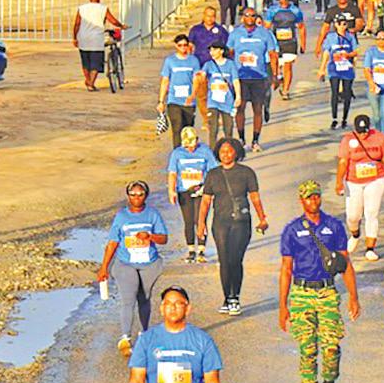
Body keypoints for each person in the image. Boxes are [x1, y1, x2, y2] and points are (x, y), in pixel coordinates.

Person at [278, 179, 362, 383]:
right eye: (308, 197)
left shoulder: (333, 226)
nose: (313, 200)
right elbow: (286, 269)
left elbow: (345, 263)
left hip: (327, 293)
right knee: (307, 349)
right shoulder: (292, 230)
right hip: (301, 293)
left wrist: (354, 297)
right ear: (301, 200)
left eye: (316, 196)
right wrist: (283, 306)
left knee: (331, 347)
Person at [196, 139, 269, 315]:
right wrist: (201, 223)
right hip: (220, 223)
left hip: (241, 222)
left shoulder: (246, 173)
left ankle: (235, 296)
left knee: (235, 260)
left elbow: (255, 197)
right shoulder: (212, 174)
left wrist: (262, 218)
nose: (226, 154)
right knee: (224, 260)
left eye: (229, 151)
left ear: (236, 152)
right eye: (222, 151)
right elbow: (206, 201)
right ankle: (227, 298)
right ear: (217, 153)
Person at [97, 181, 169, 357]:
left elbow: (164, 238)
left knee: (144, 298)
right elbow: (113, 242)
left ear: (146, 195)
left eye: (140, 194)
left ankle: (144, 333)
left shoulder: (152, 214)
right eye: (133, 194)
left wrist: (150, 236)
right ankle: (125, 338)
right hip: (125, 264)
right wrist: (104, 267)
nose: (137, 198)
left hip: (149, 264)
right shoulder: (121, 216)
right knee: (128, 299)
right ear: (128, 196)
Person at [336, 113, 384, 262]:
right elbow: (343, 162)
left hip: (376, 179)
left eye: (365, 131)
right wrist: (339, 181)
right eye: (360, 132)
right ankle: (355, 235)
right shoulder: (347, 140)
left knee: (372, 213)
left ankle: (370, 248)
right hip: (353, 181)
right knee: (353, 216)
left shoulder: (379, 138)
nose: (363, 135)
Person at [228, 8, 279, 151]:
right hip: (241, 77)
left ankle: (255, 140)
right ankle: (241, 139)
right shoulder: (235, 33)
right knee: (240, 108)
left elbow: (273, 54)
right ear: (242, 17)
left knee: (258, 109)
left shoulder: (264, 33)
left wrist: (275, 75)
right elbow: (229, 53)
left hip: (259, 76)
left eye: (252, 16)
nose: (250, 18)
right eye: (247, 15)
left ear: (256, 17)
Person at [167, 127, 218, 264]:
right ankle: (191, 250)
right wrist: (171, 191)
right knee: (188, 221)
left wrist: (211, 189)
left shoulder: (205, 151)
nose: (190, 149)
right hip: (184, 191)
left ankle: (201, 250)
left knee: (199, 220)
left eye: (192, 145)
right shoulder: (177, 153)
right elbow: (173, 173)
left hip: (202, 190)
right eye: (187, 146)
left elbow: (213, 171)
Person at [72, 0, 125, 91]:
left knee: (86, 62)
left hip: (83, 38)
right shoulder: (103, 8)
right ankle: (91, 83)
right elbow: (112, 20)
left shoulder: (82, 8)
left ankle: (88, 81)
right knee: (96, 63)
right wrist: (121, 26)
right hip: (96, 39)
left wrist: (75, 37)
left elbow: (77, 24)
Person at [158, 34, 203, 148]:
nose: (183, 48)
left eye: (185, 45)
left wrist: (193, 95)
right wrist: (161, 101)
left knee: (187, 129)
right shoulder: (170, 61)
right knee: (177, 127)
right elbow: (165, 80)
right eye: (180, 45)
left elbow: (196, 79)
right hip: (174, 100)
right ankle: (177, 151)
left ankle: (188, 150)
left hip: (188, 102)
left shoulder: (194, 61)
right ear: (176, 46)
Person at [319, 14, 359, 130]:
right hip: (334, 69)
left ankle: (344, 118)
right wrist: (322, 69)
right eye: (339, 24)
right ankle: (334, 118)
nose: (342, 26)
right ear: (336, 25)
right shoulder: (330, 37)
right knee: (335, 92)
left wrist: (348, 55)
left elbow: (356, 51)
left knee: (347, 94)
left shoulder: (350, 37)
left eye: (344, 24)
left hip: (347, 69)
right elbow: (326, 53)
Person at [265, 0, 306, 99]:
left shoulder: (295, 11)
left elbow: (301, 27)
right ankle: (279, 78)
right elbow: (266, 27)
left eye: (285, 1)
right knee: (276, 67)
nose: (283, 3)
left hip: (290, 43)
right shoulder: (272, 10)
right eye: (281, 1)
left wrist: (303, 44)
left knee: (288, 66)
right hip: (276, 43)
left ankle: (285, 91)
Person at [202, 41, 241, 150]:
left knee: (228, 129)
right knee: (213, 128)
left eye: (214, 50)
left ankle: (228, 150)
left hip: (227, 101)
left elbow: (235, 81)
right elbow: (202, 76)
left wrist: (238, 96)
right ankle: (213, 151)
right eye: (210, 50)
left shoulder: (230, 64)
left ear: (221, 51)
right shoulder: (208, 65)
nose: (212, 52)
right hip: (213, 101)